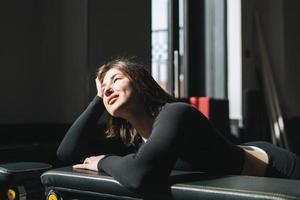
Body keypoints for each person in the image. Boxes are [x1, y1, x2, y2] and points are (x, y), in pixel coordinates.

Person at [57, 58, 300, 194]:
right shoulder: (131, 135)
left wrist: (102, 161)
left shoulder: (177, 113)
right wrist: (98, 100)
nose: (107, 88)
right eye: (102, 88)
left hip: (278, 170)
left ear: (141, 84)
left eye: (116, 79)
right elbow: (67, 154)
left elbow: (140, 175)